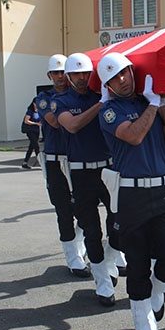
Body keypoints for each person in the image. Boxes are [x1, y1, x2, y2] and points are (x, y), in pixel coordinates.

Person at [97, 52, 165, 330]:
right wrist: (152, 106)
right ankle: (142, 321)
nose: (121, 80)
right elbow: (133, 136)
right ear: (107, 86)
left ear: (133, 71)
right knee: (137, 263)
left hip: (164, 189)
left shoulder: (153, 102)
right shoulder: (109, 110)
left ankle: (157, 292)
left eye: (124, 73)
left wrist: (160, 106)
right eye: (113, 78)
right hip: (131, 194)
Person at [53, 53, 120, 306]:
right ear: (68, 76)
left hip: (107, 169)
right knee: (91, 229)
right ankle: (102, 281)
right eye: (76, 74)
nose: (82, 78)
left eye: (85, 73)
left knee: (121, 221)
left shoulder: (101, 96)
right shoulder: (61, 100)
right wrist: (102, 105)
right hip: (80, 172)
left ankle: (110, 259)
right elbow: (72, 125)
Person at [36, 54, 90, 278]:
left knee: (86, 207)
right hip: (55, 160)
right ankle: (72, 257)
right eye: (55, 73)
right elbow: (55, 121)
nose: (60, 76)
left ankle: (79, 246)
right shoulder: (44, 98)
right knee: (63, 209)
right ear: (49, 75)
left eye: (62, 72)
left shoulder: (78, 95)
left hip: (78, 158)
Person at [21, 98, 42, 169]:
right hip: (30, 130)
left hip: (36, 131)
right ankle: (41, 162)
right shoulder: (30, 111)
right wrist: (36, 123)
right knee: (36, 146)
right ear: (34, 103)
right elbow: (26, 121)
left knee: (31, 147)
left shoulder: (38, 111)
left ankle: (25, 162)